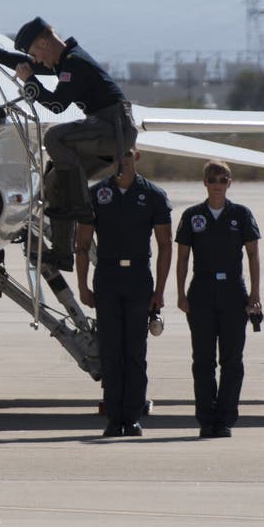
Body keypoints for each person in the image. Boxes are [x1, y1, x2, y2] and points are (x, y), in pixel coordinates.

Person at [0, 17, 137, 268]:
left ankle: (83, 206)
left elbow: (56, 105)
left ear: (44, 42)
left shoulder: (74, 64)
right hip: (103, 130)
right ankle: (62, 253)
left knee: (54, 137)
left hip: (113, 128)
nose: (37, 60)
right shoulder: (63, 61)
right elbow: (24, 63)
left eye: (35, 53)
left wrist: (30, 82)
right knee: (55, 185)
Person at [75, 151, 172, 437]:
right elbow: (82, 244)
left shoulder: (153, 195)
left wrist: (160, 290)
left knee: (135, 351)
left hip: (139, 278)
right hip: (107, 277)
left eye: (128, 155)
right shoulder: (97, 194)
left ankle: (132, 417)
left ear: (137, 156)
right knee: (111, 351)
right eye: (118, 156)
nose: (123, 161)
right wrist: (83, 286)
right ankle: (114, 418)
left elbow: (165, 244)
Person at [176, 160, 261, 439]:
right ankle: (206, 418)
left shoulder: (241, 215)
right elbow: (183, 257)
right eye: (212, 179)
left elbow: (252, 254)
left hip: (233, 293)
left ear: (229, 183)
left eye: (222, 180)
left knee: (232, 360)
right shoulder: (192, 216)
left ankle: (224, 419)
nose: (217, 185)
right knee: (202, 361)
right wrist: (180, 293)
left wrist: (255, 294)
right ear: (205, 182)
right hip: (201, 291)